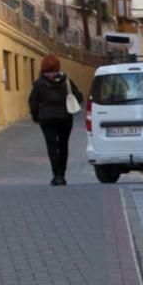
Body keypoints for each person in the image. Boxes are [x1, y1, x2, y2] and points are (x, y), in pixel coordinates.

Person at [28, 54, 83, 186]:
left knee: (52, 146)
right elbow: (79, 97)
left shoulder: (39, 83)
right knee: (63, 146)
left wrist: (36, 116)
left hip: (46, 118)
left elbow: (33, 102)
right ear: (58, 66)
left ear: (43, 66)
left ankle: (56, 175)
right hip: (65, 117)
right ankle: (62, 175)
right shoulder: (67, 81)